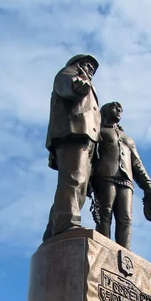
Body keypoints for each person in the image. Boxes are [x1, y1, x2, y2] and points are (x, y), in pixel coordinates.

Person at [42, 54, 101, 241]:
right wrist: (77, 85)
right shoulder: (70, 73)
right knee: (73, 179)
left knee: (80, 185)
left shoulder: (89, 84)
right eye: (87, 64)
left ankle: (54, 229)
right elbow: (66, 85)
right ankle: (66, 223)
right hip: (73, 132)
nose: (90, 69)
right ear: (77, 64)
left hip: (87, 138)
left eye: (93, 67)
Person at [91, 101, 151, 250]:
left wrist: (147, 185)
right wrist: (89, 181)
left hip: (126, 181)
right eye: (115, 107)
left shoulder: (128, 139)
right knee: (104, 214)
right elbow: (90, 157)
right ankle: (103, 248)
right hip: (105, 177)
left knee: (125, 218)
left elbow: (137, 164)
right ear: (106, 111)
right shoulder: (98, 131)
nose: (119, 110)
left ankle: (124, 253)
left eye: (121, 109)